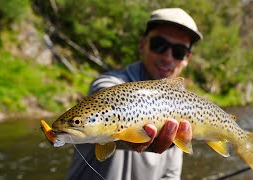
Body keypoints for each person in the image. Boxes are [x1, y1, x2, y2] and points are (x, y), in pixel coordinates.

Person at [66, 8, 203, 180]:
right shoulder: (110, 84)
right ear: (142, 44)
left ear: (187, 58)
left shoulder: (184, 107)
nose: (168, 57)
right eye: (159, 44)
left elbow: (171, 174)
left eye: (179, 51)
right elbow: (102, 101)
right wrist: (134, 137)